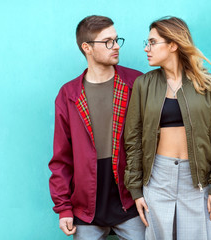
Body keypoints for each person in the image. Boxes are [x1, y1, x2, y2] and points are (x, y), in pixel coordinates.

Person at [124, 16, 211, 240]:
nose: (147, 48)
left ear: (173, 44)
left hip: (197, 181)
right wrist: (136, 190)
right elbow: (133, 141)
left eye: (153, 42)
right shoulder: (143, 85)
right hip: (157, 179)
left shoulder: (207, 84)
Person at [48, 15, 145, 239]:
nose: (115, 47)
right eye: (107, 41)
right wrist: (63, 207)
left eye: (116, 39)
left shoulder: (136, 83)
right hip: (85, 208)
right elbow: (61, 158)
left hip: (130, 201)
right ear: (87, 47)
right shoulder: (69, 95)